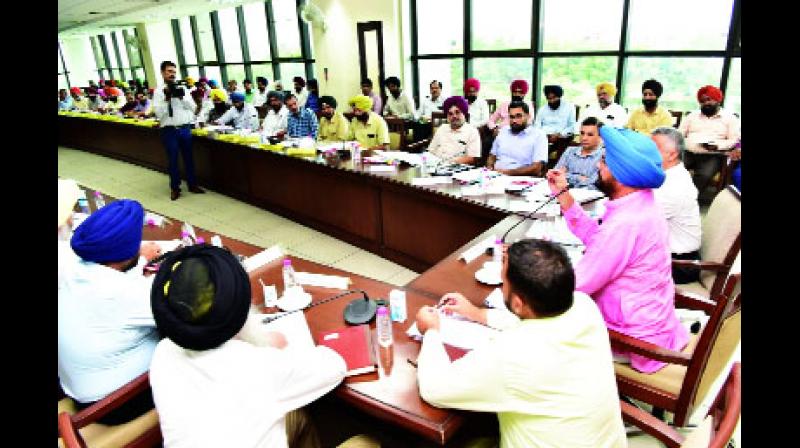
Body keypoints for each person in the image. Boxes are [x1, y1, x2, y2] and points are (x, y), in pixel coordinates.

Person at [415, 239, 626, 448]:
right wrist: (478, 314)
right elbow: (535, 321)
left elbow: (436, 389)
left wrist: (431, 330)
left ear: (517, 303)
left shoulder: (512, 353)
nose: (502, 285)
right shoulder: (584, 305)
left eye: (503, 283)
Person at [148, 245, 347, 447]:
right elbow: (335, 366)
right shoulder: (259, 364)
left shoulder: (162, 353)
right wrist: (266, 347)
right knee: (364, 442)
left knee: (298, 418)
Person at [545, 125, 689, 373]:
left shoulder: (626, 222)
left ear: (621, 172)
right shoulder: (642, 202)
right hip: (653, 326)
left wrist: (526, 283)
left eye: (603, 161)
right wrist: (563, 195)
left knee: (541, 330)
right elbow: (599, 239)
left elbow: (578, 284)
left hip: (633, 341)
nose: (597, 166)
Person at [59, 199, 163, 425]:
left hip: (78, 387)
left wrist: (140, 260)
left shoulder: (70, 267)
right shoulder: (126, 294)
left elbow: (112, 278)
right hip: (114, 405)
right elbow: (180, 313)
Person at [651, 127, 702, 284]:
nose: (645, 153)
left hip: (679, 265)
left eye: (652, 148)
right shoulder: (667, 175)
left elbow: (639, 221)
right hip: (666, 255)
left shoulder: (676, 185)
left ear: (672, 155)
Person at [153, 60, 205, 201]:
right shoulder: (158, 92)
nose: (172, 74)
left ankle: (192, 185)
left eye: (174, 72)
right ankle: (175, 188)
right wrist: (167, 99)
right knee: (173, 160)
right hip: (169, 131)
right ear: (162, 73)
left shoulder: (183, 89)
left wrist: (183, 98)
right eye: (169, 71)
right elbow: (159, 114)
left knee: (189, 158)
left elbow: (193, 108)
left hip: (185, 128)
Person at [679, 85, 741, 197]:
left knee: (704, 175)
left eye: (709, 99)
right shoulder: (692, 116)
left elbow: (734, 139)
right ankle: (672, 195)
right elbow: (679, 134)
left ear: (717, 100)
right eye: (702, 101)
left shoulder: (730, 118)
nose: (706, 103)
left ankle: (689, 198)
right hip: (687, 152)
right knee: (672, 169)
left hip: (712, 155)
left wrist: (717, 146)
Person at [486, 101, 548, 176]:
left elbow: (536, 168)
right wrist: (489, 170)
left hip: (520, 178)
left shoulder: (538, 135)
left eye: (518, 116)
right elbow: (492, 156)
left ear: (528, 116)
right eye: (511, 117)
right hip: (495, 176)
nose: (514, 121)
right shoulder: (503, 131)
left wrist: (505, 173)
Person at [426, 96, 481, 165]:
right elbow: (431, 150)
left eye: (457, 112)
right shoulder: (442, 128)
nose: (454, 116)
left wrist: (448, 163)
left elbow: (472, 158)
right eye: (450, 114)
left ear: (464, 114)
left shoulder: (472, 131)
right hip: (434, 165)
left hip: (455, 167)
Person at [555, 117, 605, 190]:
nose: (584, 138)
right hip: (563, 192)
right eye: (582, 133)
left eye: (590, 135)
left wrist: (566, 175)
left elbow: (594, 184)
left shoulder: (604, 156)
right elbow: (555, 175)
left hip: (589, 195)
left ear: (600, 137)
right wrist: (579, 178)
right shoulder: (570, 151)